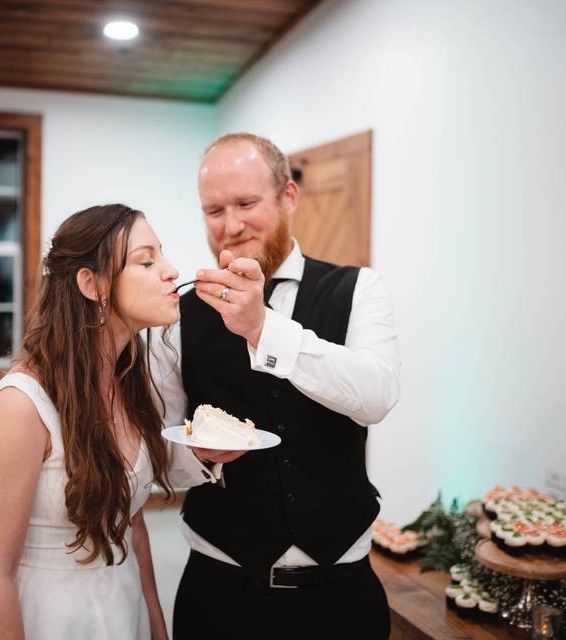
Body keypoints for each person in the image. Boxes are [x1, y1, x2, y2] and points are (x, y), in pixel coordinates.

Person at [151, 133, 401, 639]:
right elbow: (160, 448)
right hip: (219, 591)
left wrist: (262, 329)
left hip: (342, 593)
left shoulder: (359, 289)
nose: (231, 225)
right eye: (214, 210)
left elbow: (377, 396)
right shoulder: (177, 317)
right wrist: (200, 458)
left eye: (246, 203)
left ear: (288, 196)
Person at [0, 204, 226, 640]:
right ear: (92, 284)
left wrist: (157, 627)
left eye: (162, 256)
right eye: (147, 261)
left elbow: (131, 523)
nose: (171, 271)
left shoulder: (132, 384)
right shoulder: (21, 405)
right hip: (54, 615)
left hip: (124, 609)